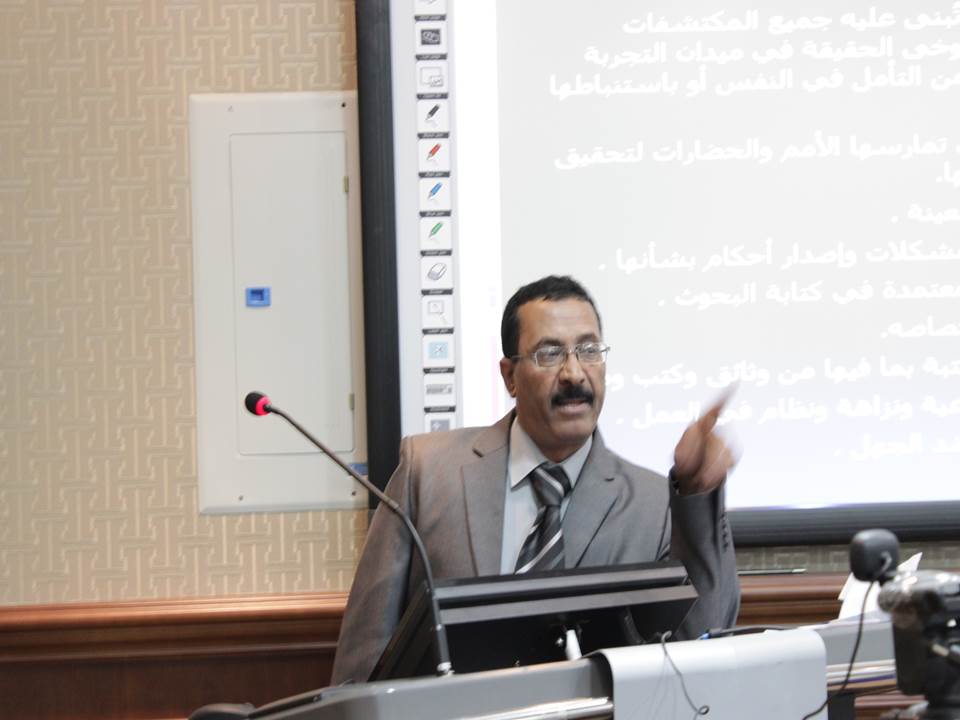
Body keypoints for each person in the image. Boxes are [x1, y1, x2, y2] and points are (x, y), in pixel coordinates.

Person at [331, 275, 739, 684]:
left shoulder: (653, 504)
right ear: (509, 376)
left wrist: (697, 495)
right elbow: (364, 658)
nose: (574, 374)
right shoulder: (427, 472)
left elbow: (702, 642)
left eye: (589, 350)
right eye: (549, 353)